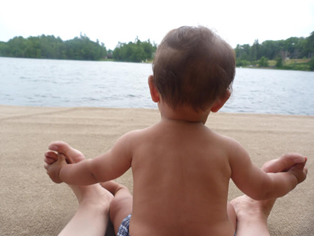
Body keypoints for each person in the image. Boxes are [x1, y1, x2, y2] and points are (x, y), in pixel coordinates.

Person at [44, 26, 308, 236]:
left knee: (123, 207)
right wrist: (293, 178)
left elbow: (92, 170)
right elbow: (262, 188)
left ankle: (116, 193)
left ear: (153, 89)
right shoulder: (229, 150)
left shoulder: (134, 142)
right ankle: (249, 213)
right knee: (227, 210)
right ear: (221, 99)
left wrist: (61, 172)